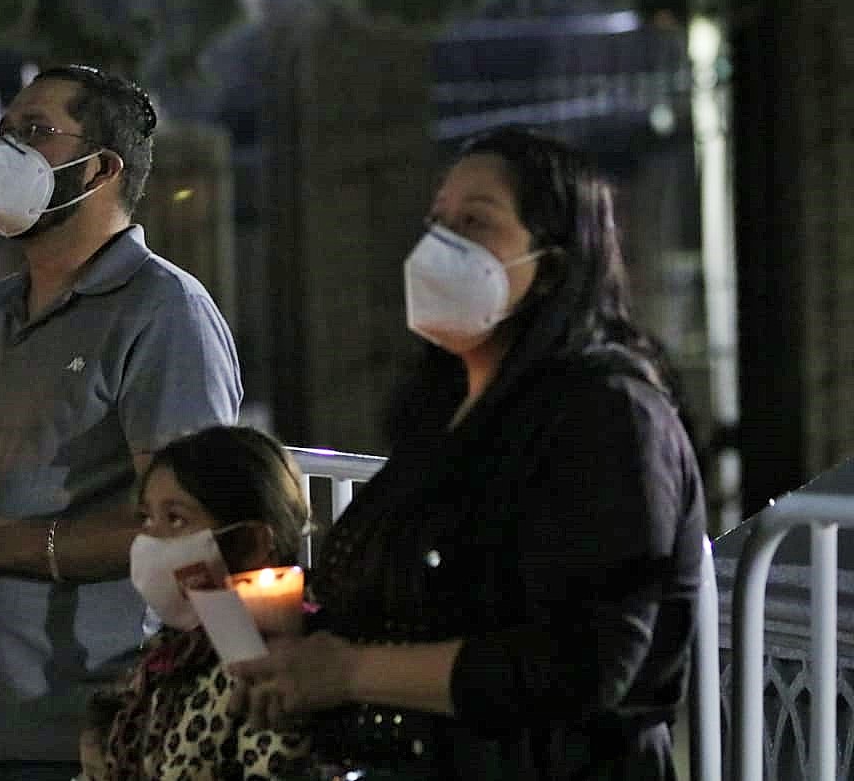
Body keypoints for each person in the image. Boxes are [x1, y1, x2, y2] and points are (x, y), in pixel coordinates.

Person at [229, 126, 706, 780]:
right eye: (437, 221)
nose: (440, 245)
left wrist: (350, 672)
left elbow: (585, 659)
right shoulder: (446, 414)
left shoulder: (607, 413)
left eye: (475, 222)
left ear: (553, 267)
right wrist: (287, 630)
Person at [0, 64, 243, 780]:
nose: (1, 151)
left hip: (86, 733)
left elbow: (193, 528)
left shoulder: (165, 312)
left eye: (34, 132)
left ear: (101, 169)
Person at [84, 425, 313, 781]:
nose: (150, 540)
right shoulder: (169, 657)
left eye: (176, 519)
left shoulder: (271, 668)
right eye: (147, 518)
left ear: (251, 542)